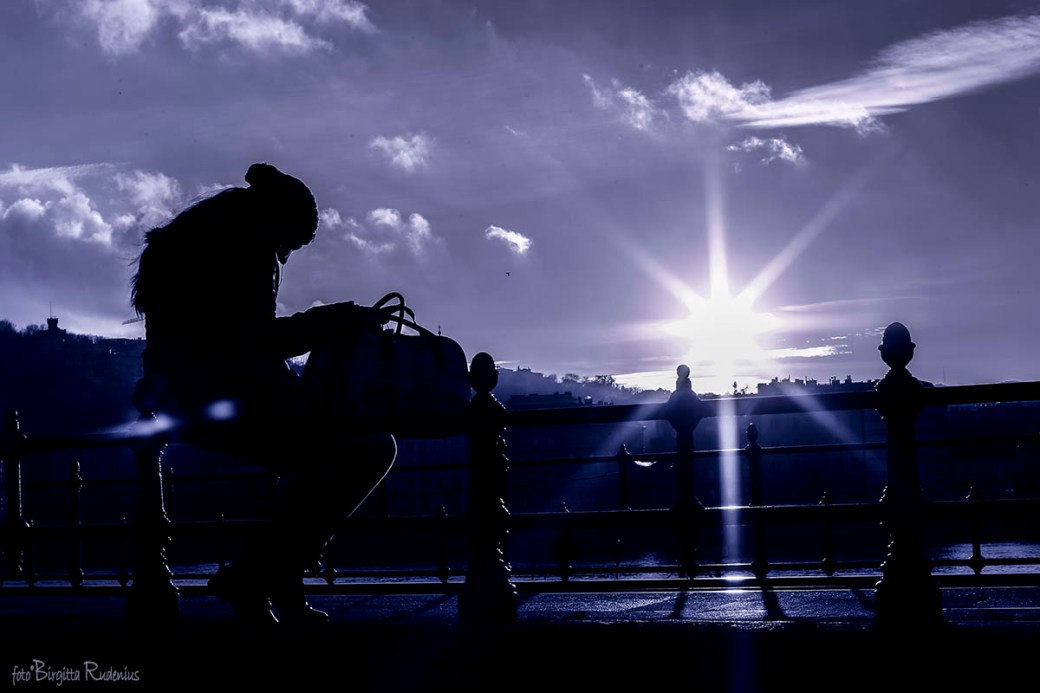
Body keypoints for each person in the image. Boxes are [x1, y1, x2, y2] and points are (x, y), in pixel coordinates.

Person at [130, 162, 397, 625]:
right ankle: (257, 575)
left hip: (184, 398)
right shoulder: (247, 248)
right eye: (289, 243)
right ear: (276, 225)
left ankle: (272, 585)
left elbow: (224, 339)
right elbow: (252, 341)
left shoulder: (194, 242)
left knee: (311, 461)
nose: (286, 255)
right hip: (223, 400)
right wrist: (332, 322)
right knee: (369, 449)